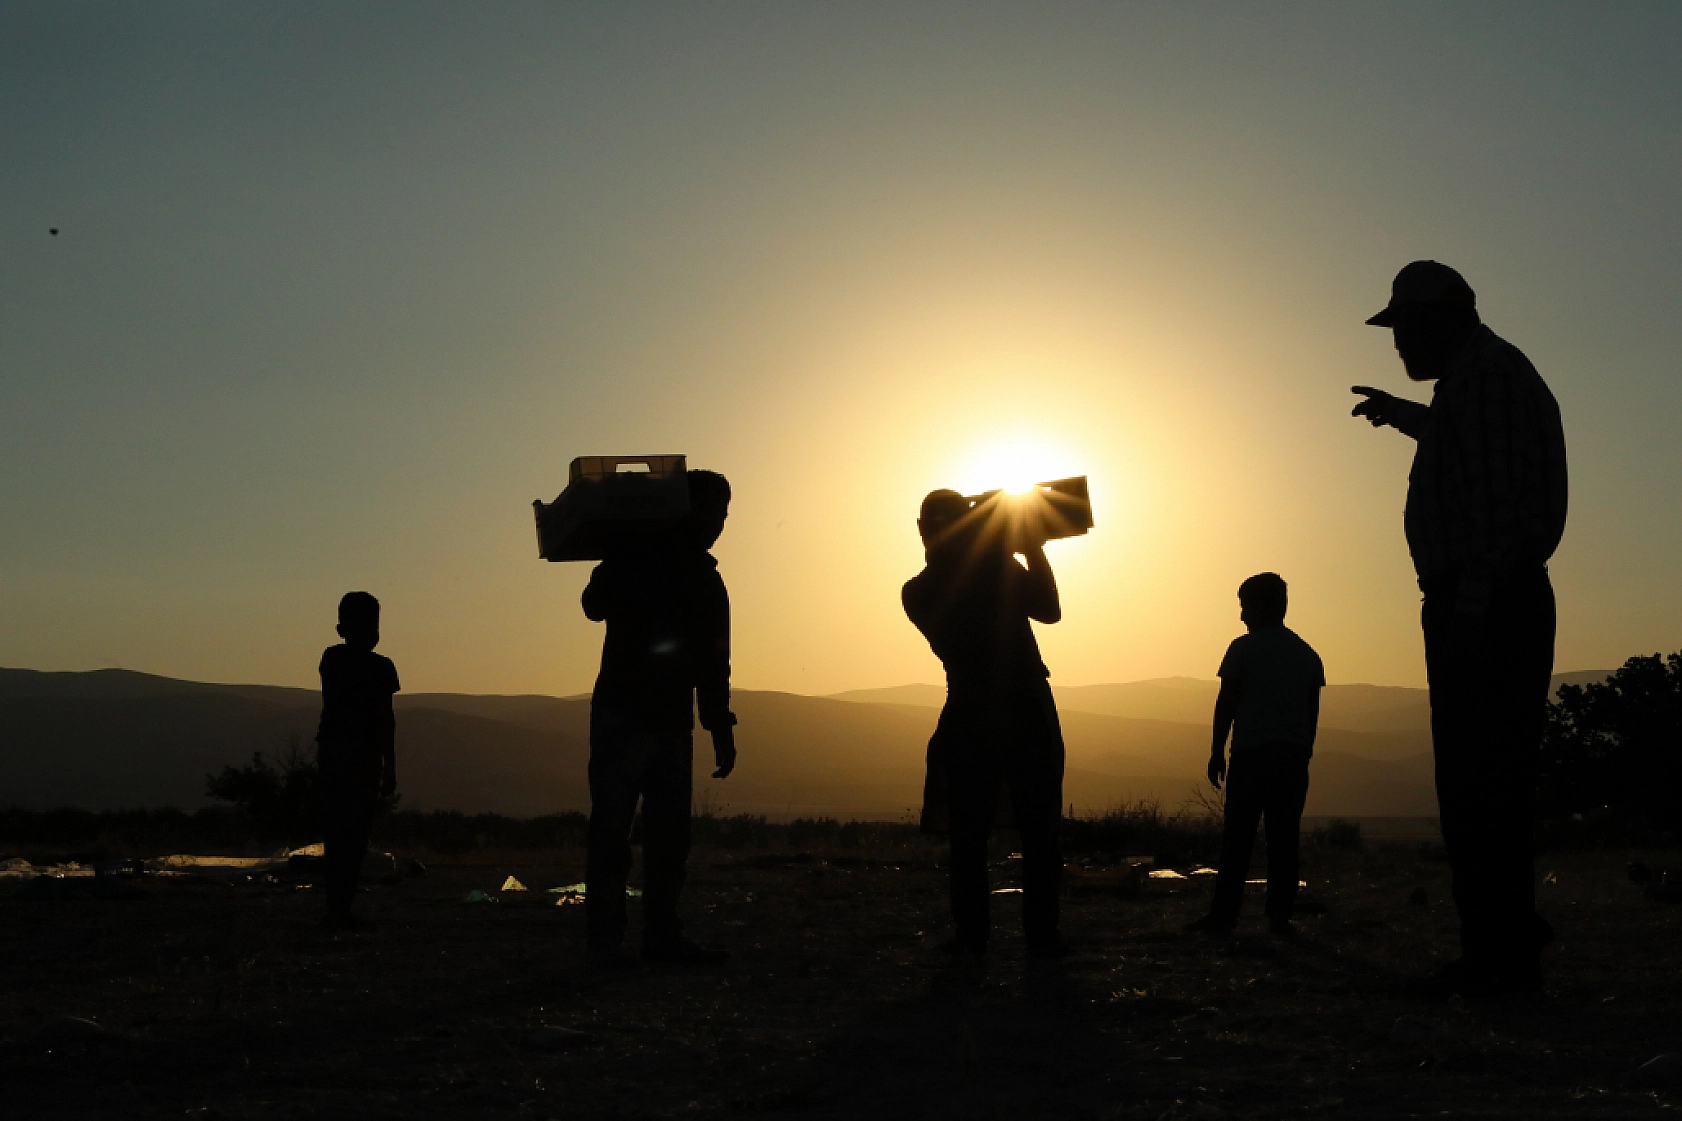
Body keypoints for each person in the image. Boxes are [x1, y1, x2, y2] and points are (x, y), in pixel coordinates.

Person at [1351, 260, 1568, 997]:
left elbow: (1502, 520)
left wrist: (1468, 614)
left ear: (1444, 316)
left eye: (1403, 327)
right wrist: (1399, 414)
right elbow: (1468, 450)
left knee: (1480, 784)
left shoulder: (1488, 381)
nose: (1397, 344)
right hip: (1486, 601)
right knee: (1485, 782)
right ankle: (1504, 939)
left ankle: (1499, 958)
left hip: (1487, 604)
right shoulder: (1476, 384)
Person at [581, 468, 737, 967]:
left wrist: (718, 725)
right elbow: (594, 605)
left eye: (723, 514)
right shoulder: (685, 573)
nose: (718, 524)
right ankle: (632, 940)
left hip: (652, 717)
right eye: (713, 512)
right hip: (637, 715)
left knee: (650, 834)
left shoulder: (655, 562)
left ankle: (640, 939)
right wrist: (718, 727)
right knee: (626, 831)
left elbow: (714, 663)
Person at [903, 489, 1067, 958]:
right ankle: (1041, 935)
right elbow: (1050, 610)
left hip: (972, 711)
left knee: (970, 835)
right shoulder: (986, 571)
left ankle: (975, 935)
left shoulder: (917, 589)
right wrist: (1028, 546)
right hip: (1024, 706)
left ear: (922, 530)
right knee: (1037, 830)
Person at [1189, 573, 1324, 938]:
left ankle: (1223, 916)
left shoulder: (1242, 649)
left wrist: (1217, 751)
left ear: (1262, 606)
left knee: (1238, 839)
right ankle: (1279, 917)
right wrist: (1304, 752)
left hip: (1250, 756)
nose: (1242, 616)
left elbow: (1226, 703)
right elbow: (1312, 713)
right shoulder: (1308, 655)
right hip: (1293, 758)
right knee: (1284, 839)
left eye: (1245, 607)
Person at [315, 591, 399, 931]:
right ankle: (341, 909)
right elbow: (386, 720)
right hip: (364, 757)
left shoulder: (331, 659)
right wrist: (390, 767)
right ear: (376, 630)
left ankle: (336, 908)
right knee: (356, 834)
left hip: (333, 753)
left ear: (340, 628)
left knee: (336, 832)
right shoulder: (382, 668)